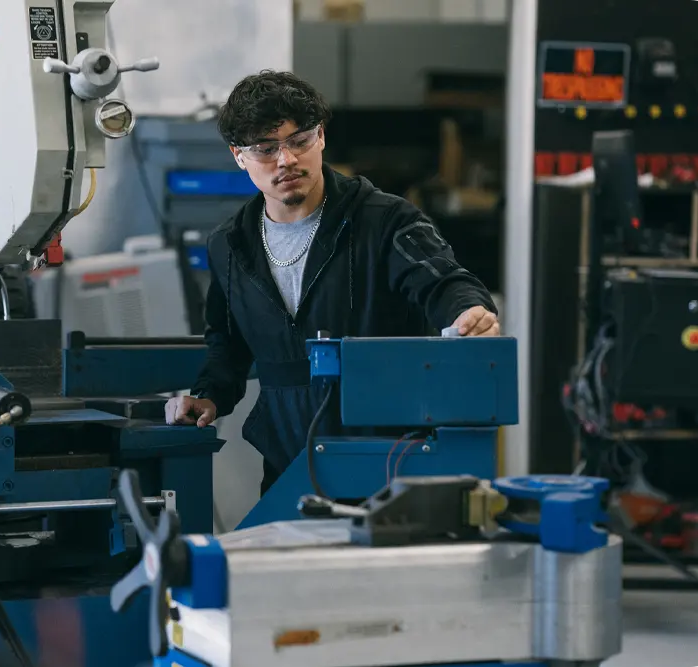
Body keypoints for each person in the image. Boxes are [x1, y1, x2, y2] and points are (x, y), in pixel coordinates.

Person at [164, 70, 500, 495]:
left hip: (388, 462)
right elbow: (227, 345)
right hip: (288, 465)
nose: (286, 160)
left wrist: (468, 310)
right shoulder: (230, 246)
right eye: (266, 149)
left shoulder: (385, 220)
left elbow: (442, 280)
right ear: (238, 156)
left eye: (299, 141)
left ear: (320, 137)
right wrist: (207, 395)